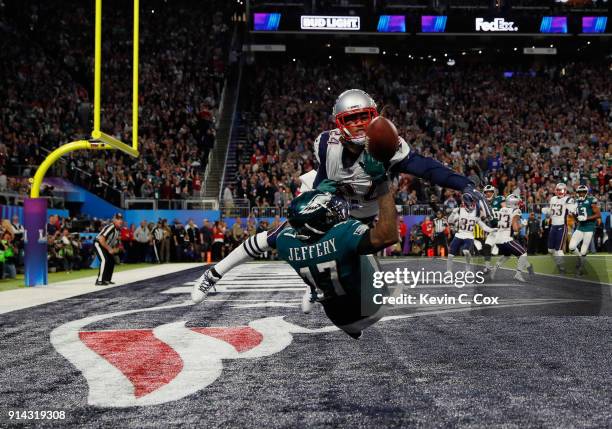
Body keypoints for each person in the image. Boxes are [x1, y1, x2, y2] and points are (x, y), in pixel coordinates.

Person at [191, 89, 492, 294]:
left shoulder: (388, 144)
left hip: (366, 208)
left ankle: (319, 287)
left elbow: (426, 167)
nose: (361, 123)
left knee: (360, 273)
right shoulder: (326, 143)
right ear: (339, 123)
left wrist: (464, 184)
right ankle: (213, 274)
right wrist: (320, 206)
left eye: (365, 116)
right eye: (353, 118)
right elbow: (324, 180)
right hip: (333, 198)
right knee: (280, 237)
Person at [195, 184, 399, 339]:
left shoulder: (286, 241)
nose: (336, 212)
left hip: (341, 321)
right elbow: (388, 236)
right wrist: (382, 185)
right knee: (363, 245)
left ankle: (314, 289)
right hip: (374, 308)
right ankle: (315, 289)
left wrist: (215, 273)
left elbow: (253, 245)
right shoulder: (343, 233)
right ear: (317, 224)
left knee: (315, 266)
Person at [489, 195, 534, 283]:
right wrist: (523, 225)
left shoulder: (502, 209)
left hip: (498, 239)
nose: (519, 204)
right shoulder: (516, 210)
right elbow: (515, 228)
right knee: (523, 254)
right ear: (514, 203)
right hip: (506, 239)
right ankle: (518, 274)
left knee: (507, 255)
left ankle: (495, 268)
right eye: (518, 203)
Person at [447, 194, 495, 273]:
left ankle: (468, 269)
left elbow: (483, 227)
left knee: (466, 252)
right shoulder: (459, 210)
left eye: (472, 203)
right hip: (459, 234)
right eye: (469, 204)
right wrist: (452, 213)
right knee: (450, 254)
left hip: (469, 236)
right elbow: (450, 221)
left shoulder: (476, 213)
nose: (471, 206)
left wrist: (492, 229)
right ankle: (448, 271)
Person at [541, 183, 574, 272]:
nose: (560, 192)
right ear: (555, 190)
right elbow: (552, 211)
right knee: (550, 250)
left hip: (562, 226)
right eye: (558, 190)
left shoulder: (567, 199)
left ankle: (562, 266)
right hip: (553, 226)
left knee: (558, 249)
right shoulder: (552, 199)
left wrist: (574, 210)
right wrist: (548, 210)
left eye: (562, 190)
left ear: (565, 191)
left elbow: (573, 210)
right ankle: (559, 264)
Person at [569, 185, 601, 276]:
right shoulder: (576, 201)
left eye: (583, 191)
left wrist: (586, 218)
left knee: (583, 250)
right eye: (580, 192)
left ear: (586, 192)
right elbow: (577, 219)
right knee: (571, 247)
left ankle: (581, 268)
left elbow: (598, 215)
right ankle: (580, 259)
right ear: (578, 192)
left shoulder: (591, 200)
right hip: (580, 227)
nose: (581, 193)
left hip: (589, 228)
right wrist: (573, 214)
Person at [94, 214, 123, 286]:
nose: (120, 221)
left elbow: (113, 242)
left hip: (105, 245)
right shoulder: (111, 227)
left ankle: (107, 279)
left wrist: (116, 249)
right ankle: (99, 280)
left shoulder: (117, 230)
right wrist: (109, 249)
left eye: (121, 219)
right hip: (98, 244)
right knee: (104, 260)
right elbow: (101, 239)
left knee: (111, 261)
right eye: (118, 219)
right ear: (114, 220)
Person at [482, 185, 506, 273]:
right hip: (493, 229)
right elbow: (483, 216)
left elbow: (505, 208)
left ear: (493, 192)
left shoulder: (499, 199)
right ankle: (487, 267)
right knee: (487, 246)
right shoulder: (484, 203)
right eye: (486, 192)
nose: (488, 194)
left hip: (501, 229)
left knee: (507, 250)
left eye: (490, 192)